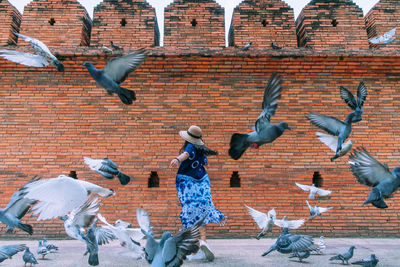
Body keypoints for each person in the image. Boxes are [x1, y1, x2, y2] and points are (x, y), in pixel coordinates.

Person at [169, 125, 225, 261]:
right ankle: (204, 242)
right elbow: (206, 165)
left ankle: (195, 249)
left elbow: (186, 154)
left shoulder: (190, 147)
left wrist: (177, 159)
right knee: (202, 214)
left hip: (188, 184)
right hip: (202, 183)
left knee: (191, 214)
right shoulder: (201, 150)